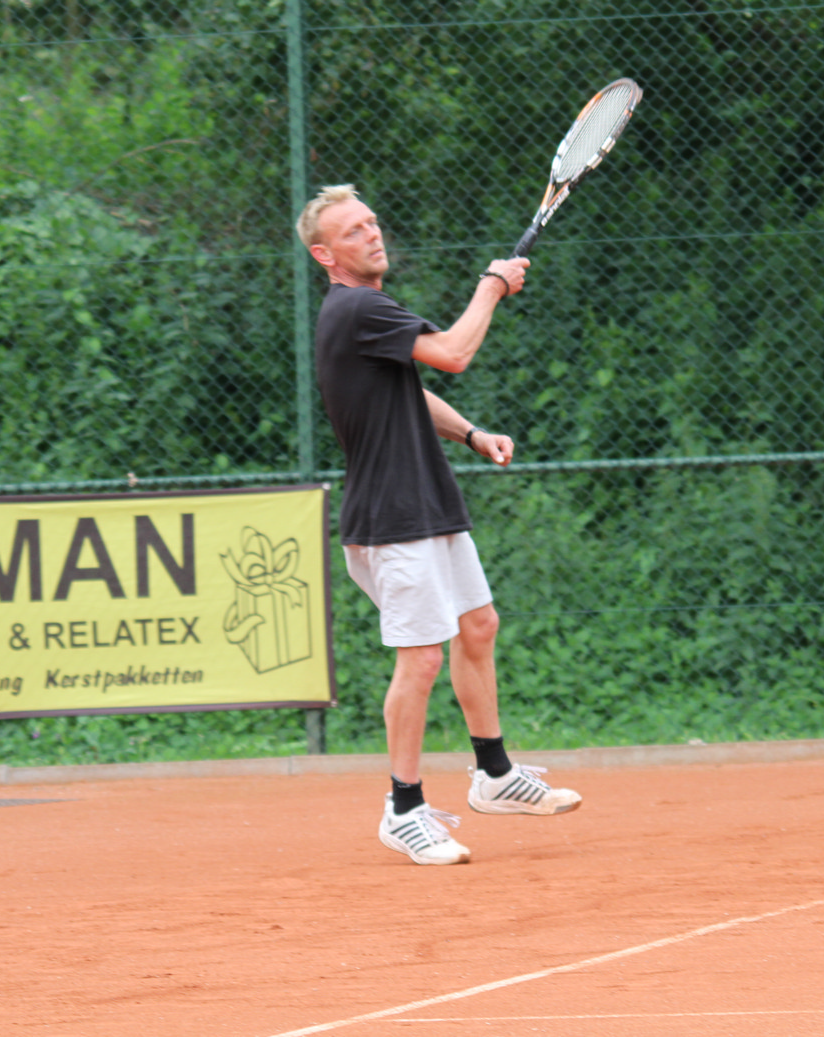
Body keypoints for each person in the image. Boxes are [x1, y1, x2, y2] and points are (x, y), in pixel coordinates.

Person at [298, 184, 581, 865]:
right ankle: (403, 809)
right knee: (422, 657)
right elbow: (453, 352)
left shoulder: (365, 315)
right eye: (353, 230)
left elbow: (409, 389)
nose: (372, 233)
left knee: (477, 626)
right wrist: (492, 286)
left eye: (371, 221)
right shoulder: (356, 307)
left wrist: (470, 433)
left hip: (427, 500)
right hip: (391, 516)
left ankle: (494, 775)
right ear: (324, 255)